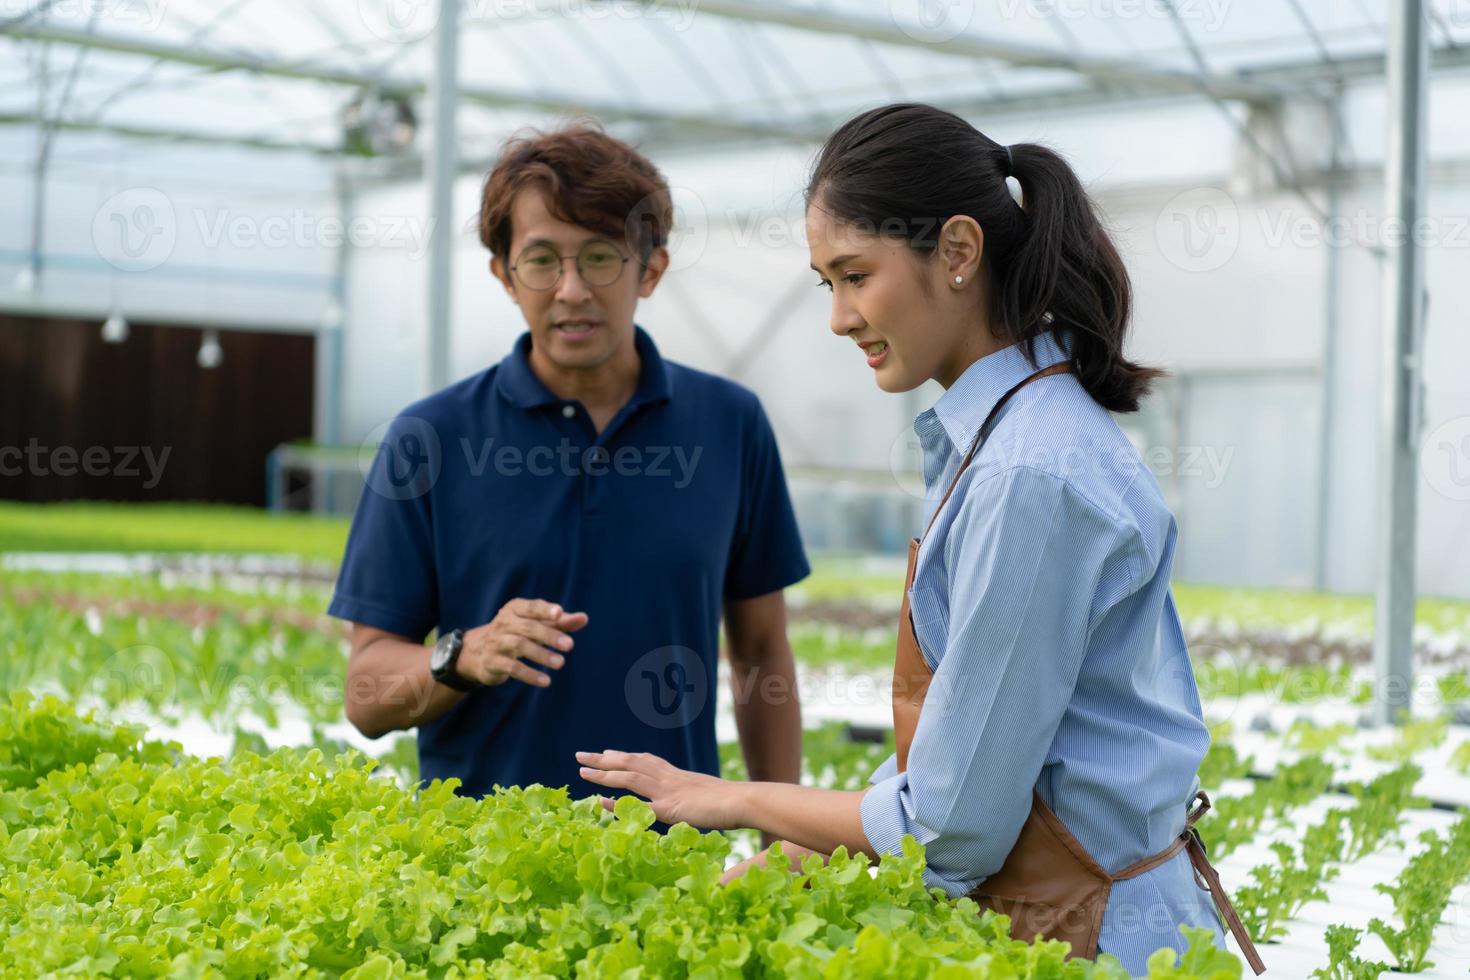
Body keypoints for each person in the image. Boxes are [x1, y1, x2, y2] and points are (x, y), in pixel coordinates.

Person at [577, 103, 1265, 976]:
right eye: (826, 282)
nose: (838, 316)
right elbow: (975, 774)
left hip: (1098, 941)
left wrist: (734, 798)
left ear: (958, 252)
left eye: (855, 274)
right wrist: (797, 851)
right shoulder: (1003, 435)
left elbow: (952, 830)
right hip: (1074, 916)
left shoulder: (1028, 474)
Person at [333, 122, 809, 821]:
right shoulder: (428, 439)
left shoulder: (730, 424)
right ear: (504, 274)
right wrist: (463, 656)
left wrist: (786, 831)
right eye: (542, 260)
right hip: (477, 867)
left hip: (673, 867)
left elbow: (763, 652)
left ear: (650, 269)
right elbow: (365, 696)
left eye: (601, 257)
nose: (572, 290)